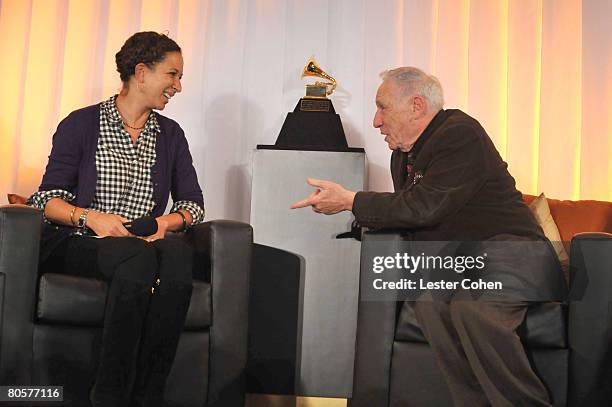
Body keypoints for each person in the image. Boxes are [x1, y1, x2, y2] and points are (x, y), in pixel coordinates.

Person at [291, 67, 566, 406]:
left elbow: (424, 206)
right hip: (464, 266)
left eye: (383, 107)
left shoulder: (460, 133)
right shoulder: (402, 156)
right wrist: (359, 219)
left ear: (417, 105)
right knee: (429, 305)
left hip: (516, 256)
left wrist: (351, 200)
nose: (376, 121)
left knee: (472, 309)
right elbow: (409, 216)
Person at [28, 32, 205, 407]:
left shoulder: (170, 135)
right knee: (136, 258)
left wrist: (164, 224)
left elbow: (193, 205)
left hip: (143, 242)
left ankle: (148, 394)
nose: (178, 86)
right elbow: (45, 199)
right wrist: (91, 217)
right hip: (82, 240)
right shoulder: (81, 124)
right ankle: (109, 392)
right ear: (141, 72)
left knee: (177, 257)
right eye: (172, 74)